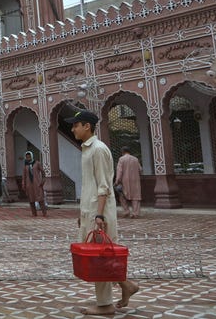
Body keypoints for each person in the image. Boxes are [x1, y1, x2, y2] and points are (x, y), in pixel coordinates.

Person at [66, 110, 139, 315]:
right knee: (100, 255)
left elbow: (104, 186)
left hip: (100, 213)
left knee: (100, 257)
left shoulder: (98, 149)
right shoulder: (87, 149)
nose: (73, 129)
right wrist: (84, 214)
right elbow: (90, 185)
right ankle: (126, 285)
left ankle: (106, 304)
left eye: (75, 125)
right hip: (91, 210)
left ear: (87, 126)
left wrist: (98, 216)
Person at [115, 146, 142, 218]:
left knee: (122, 196)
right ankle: (135, 213)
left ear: (122, 152)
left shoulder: (121, 159)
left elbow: (119, 171)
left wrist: (117, 181)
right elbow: (140, 169)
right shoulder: (135, 159)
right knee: (136, 197)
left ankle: (126, 211)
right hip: (135, 181)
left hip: (125, 181)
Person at [22, 150, 47, 217]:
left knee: (40, 199)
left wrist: (42, 181)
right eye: (27, 157)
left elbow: (43, 172)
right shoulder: (25, 166)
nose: (28, 158)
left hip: (37, 184)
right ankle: (34, 214)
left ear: (32, 156)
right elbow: (24, 176)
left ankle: (44, 213)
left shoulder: (37, 163)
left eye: (29, 156)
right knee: (31, 200)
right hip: (29, 184)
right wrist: (23, 184)